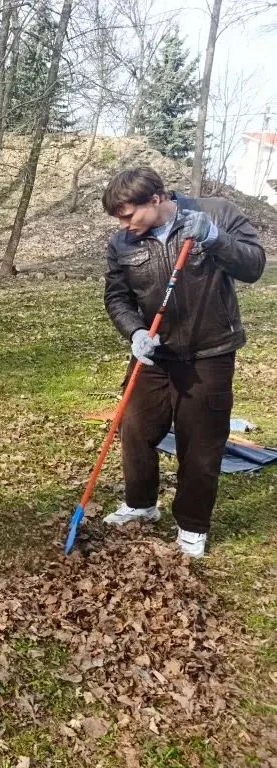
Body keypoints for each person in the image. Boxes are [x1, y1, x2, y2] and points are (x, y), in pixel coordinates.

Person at [101, 167, 266, 557]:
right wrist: (135, 332)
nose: (124, 225)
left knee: (201, 442)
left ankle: (192, 525)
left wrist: (213, 237)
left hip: (208, 352)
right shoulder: (122, 242)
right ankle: (141, 504)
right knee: (135, 427)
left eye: (128, 215)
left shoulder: (216, 214)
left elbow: (254, 266)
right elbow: (117, 297)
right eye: (118, 219)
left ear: (155, 200)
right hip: (154, 355)